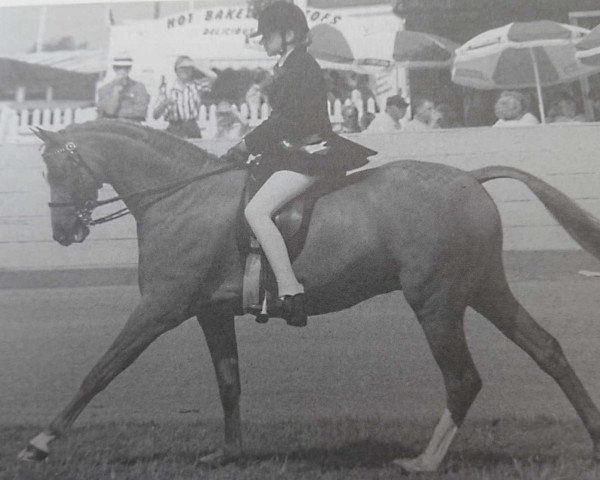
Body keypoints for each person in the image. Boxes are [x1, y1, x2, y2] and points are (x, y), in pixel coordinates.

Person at [221, 2, 375, 327]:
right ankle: (262, 288)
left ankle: (290, 291)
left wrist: (245, 144)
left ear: (289, 34)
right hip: (294, 152)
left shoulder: (301, 67)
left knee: (257, 211)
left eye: (268, 35)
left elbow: (286, 122)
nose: (263, 40)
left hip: (311, 155)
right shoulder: (289, 65)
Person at [152, 56, 215, 138]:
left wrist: (194, 64)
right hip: (174, 128)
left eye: (189, 68)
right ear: (176, 69)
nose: (185, 71)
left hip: (192, 127)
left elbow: (213, 77)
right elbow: (155, 115)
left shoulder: (197, 86)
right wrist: (164, 104)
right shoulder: (167, 88)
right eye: (182, 68)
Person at [97, 53, 150, 122]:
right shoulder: (104, 89)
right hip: (110, 126)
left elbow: (141, 112)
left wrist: (117, 114)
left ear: (130, 68)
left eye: (126, 67)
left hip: (132, 125)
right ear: (114, 68)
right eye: (119, 67)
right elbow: (109, 111)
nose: (123, 70)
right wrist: (115, 90)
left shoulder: (139, 87)